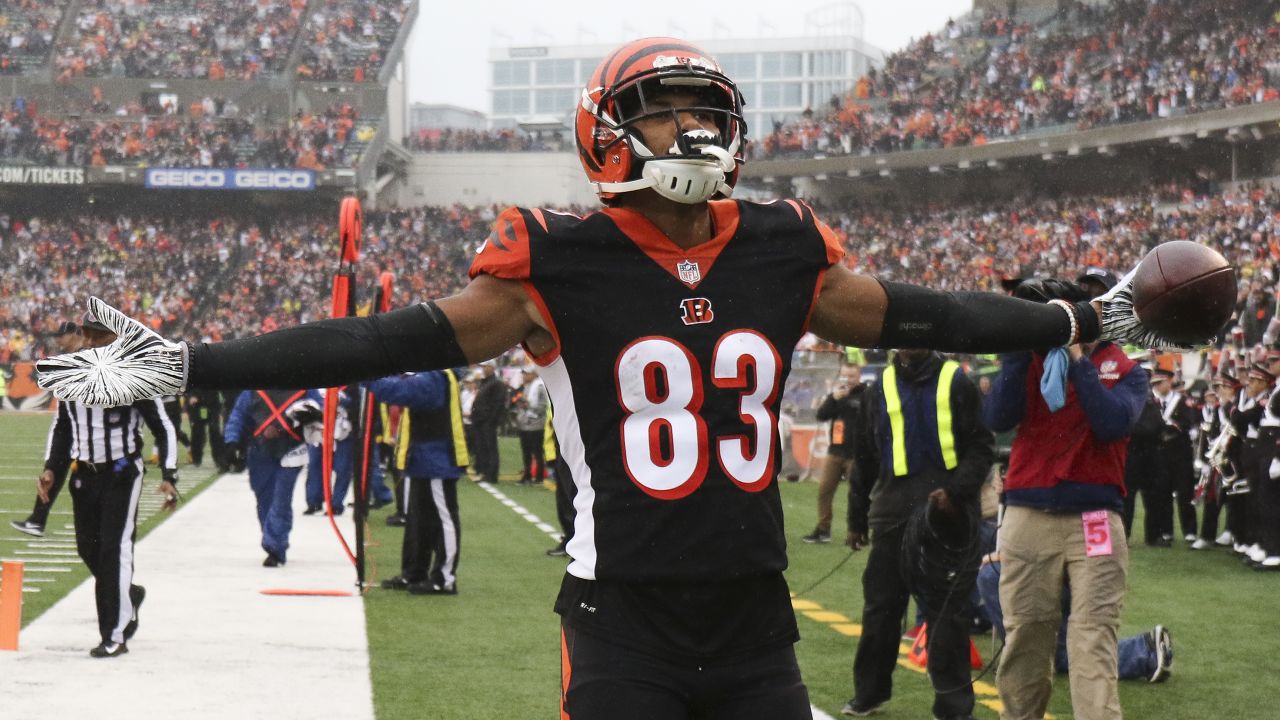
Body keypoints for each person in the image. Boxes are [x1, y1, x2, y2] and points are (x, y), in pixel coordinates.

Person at [35, 38, 1191, 717]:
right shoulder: (555, 256)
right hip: (620, 617)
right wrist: (194, 362)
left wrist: (1068, 314)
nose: (690, 129)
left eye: (704, 112)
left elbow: (926, 316)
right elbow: (389, 340)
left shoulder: (782, 243)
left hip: (753, 618)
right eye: (664, 112)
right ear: (605, 132)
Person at [982, 278, 1150, 720]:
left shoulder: (1129, 371)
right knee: (1025, 636)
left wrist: (1078, 361)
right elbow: (997, 415)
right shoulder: (1033, 358)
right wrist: (1020, 345)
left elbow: (1111, 423)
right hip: (1028, 513)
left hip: (1094, 516)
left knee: (1092, 635)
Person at [843, 350, 993, 720]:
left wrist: (956, 492)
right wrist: (856, 519)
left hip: (947, 517)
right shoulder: (880, 387)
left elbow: (980, 446)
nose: (907, 346)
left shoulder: (956, 380)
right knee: (880, 609)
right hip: (892, 515)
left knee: (946, 615)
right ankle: (869, 695)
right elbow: (864, 456)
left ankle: (954, 708)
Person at [41, 312, 180, 658]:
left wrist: (169, 474)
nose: (89, 342)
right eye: (87, 335)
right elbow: (63, 427)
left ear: (113, 339)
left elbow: (162, 427)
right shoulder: (70, 371)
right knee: (88, 550)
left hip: (121, 472)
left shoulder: (132, 375)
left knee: (114, 551)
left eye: (97, 336)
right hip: (84, 473)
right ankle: (128, 595)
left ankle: (114, 634)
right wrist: (50, 470)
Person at [975, 555, 1174, 683]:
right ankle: (1144, 650)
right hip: (1082, 570)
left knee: (991, 574)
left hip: (1072, 572)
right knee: (1066, 649)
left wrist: (1013, 553)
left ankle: (1144, 652)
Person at [372, 370, 468, 595]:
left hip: (437, 459)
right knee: (418, 522)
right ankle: (414, 571)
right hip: (423, 458)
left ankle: (444, 578)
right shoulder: (433, 374)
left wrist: (368, 377)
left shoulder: (437, 376)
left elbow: (400, 391)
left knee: (444, 521)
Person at [222, 389, 315, 567]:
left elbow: (317, 409)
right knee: (264, 499)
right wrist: (232, 441)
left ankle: (275, 546)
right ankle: (274, 538)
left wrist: (286, 424)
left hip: (291, 449)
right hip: (260, 451)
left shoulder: (304, 386)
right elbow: (239, 414)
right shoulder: (253, 389)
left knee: (281, 498)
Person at [11, 321, 82, 537]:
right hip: (68, 426)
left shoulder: (85, 357)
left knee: (85, 481)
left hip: (85, 430)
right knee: (52, 473)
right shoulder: (66, 360)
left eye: (62, 335)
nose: (58, 340)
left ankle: (39, 520)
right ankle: (37, 520)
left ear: (74, 334)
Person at [801, 362, 866, 544]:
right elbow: (821, 416)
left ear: (858, 376)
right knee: (824, 491)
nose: (847, 380)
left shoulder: (866, 395)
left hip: (856, 454)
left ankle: (857, 531)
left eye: (851, 376)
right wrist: (834, 399)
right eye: (844, 376)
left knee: (857, 494)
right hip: (835, 452)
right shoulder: (836, 395)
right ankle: (823, 530)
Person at [1151, 368, 1198, 543]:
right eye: (1154, 384)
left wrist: (1168, 425)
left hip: (1180, 453)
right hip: (1160, 454)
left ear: (1168, 382)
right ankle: (1166, 530)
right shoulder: (1152, 402)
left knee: (1185, 492)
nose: (1156, 387)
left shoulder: (1183, 401)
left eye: (1159, 383)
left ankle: (1190, 530)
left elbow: (1187, 423)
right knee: (1162, 493)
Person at [468, 363, 506, 485]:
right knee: (482, 447)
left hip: (487, 421)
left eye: (486, 366)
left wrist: (491, 419)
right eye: (483, 367)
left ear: (492, 368)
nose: (484, 369)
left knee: (490, 447)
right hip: (480, 421)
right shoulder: (485, 383)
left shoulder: (496, 384)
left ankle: (491, 474)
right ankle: (484, 472)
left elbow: (498, 404)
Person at [514, 365, 549, 485]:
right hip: (525, 423)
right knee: (526, 452)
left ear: (534, 374)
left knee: (537, 451)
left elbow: (543, 406)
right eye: (523, 374)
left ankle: (539, 477)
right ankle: (527, 475)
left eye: (527, 373)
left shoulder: (540, 386)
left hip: (536, 424)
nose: (524, 376)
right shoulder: (527, 387)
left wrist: (527, 405)